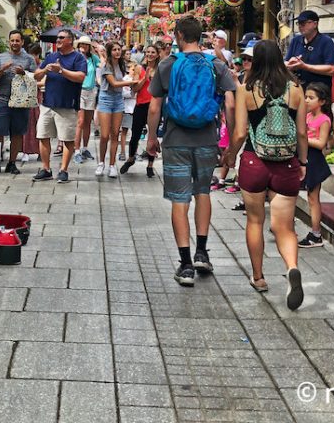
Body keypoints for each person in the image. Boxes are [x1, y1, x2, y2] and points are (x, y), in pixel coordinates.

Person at [147, 16, 237, 287]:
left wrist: (152, 138)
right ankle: (201, 252)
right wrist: (230, 143)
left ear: (178, 35)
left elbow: (154, 107)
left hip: (176, 139)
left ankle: (185, 265)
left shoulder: (168, 64)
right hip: (207, 139)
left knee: (179, 200)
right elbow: (230, 105)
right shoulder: (216, 65)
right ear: (200, 37)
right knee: (202, 193)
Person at [222, 39, 308, 304]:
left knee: (255, 221)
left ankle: (258, 276)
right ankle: (292, 268)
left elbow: (238, 133)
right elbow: (303, 132)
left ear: (256, 60)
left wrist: (230, 155)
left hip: (253, 162)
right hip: (287, 163)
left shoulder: (246, 89)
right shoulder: (295, 88)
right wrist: (303, 162)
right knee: (284, 227)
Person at [32, 28, 87, 183]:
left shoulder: (78, 58)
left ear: (70, 40)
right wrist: (45, 69)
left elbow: (81, 77)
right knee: (43, 135)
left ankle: (63, 170)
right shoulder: (51, 56)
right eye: (58, 37)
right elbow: (36, 75)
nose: (58, 40)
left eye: (62, 37)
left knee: (67, 139)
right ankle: (46, 168)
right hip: (48, 103)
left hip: (67, 105)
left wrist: (61, 70)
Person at [0, 30, 36, 175]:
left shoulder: (29, 59)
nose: (14, 43)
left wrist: (24, 73)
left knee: (17, 133)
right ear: (9, 41)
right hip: (3, 99)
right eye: (12, 40)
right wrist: (2, 69)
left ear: (22, 42)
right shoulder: (1, 58)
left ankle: (12, 163)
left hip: (21, 102)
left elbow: (36, 79)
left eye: (17, 40)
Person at [298, 82, 332, 248]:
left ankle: (316, 233)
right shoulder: (307, 115)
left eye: (311, 98)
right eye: (306, 97)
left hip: (315, 159)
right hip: (303, 156)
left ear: (322, 101)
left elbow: (321, 143)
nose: (307, 101)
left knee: (313, 198)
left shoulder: (324, 120)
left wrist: (304, 138)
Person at [95, 41, 135, 178]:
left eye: (119, 49)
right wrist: (130, 82)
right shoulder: (107, 65)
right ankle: (101, 163)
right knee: (104, 135)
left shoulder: (122, 64)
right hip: (106, 99)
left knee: (115, 134)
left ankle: (112, 165)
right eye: (114, 50)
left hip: (118, 100)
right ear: (109, 51)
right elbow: (113, 83)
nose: (117, 52)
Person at [121, 44, 158, 176]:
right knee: (135, 134)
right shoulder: (138, 68)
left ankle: (150, 165)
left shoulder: (160, 69)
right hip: (141, 104)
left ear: (157, 54)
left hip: (155, 106)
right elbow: (135, 89)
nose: (150, 54)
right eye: (148, 52)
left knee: (152, 136)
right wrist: (145, 78)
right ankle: (130, 159)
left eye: (153, 52)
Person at [284, 10, 334, 87]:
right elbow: (286, 62)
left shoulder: (326, 41)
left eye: (303, 23)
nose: (300, 26)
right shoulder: (295, 40)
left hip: (318, 90)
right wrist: (291, 63)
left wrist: (304, 66)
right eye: (298, 23)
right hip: (297, 87)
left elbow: (331, 69)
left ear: (315, 24)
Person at [75, 36, 100, 163]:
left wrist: (100, 51)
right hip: (79, 91)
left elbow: (103, 65)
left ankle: (85, 148)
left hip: (91, 91)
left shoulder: (92, 58)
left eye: (86, 44)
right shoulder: (75, 57)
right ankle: (76, 150)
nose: (83, 46)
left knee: (87, 122)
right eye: (82, 44)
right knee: (80, 121)